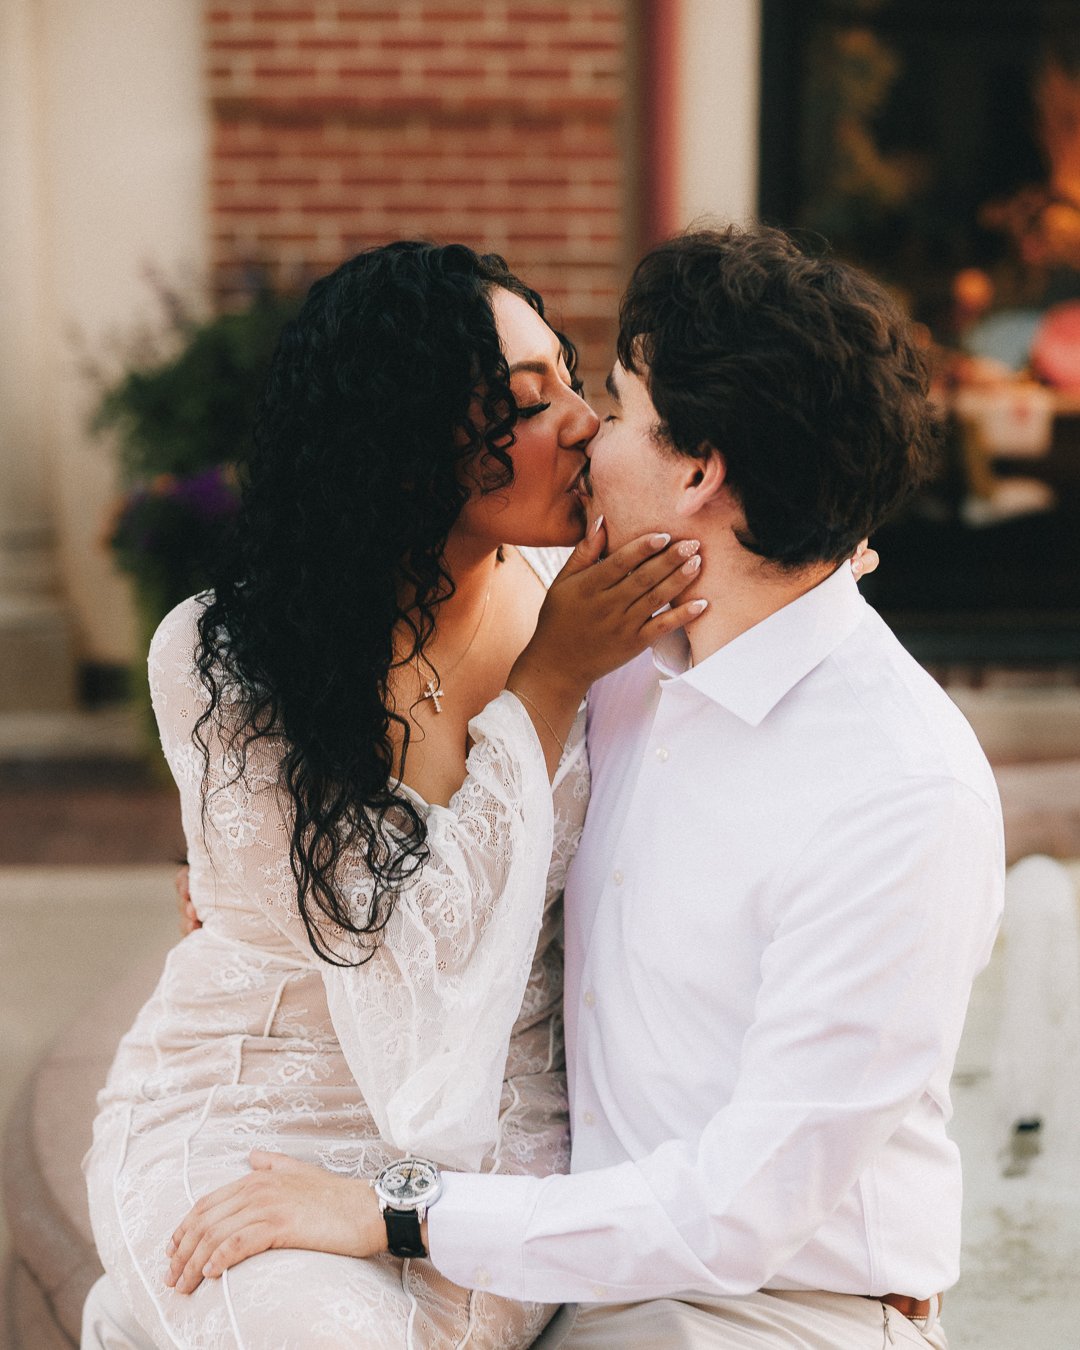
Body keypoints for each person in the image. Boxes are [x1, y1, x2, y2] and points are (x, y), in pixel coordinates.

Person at [166, 226, 1005, 1349]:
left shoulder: (898, 793)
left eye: (611, 402)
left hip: (774, 1311)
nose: (582, 434)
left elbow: (734, 1214)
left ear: (700, 470)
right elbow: (406, 645)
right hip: (573, 1275)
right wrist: (248, 874)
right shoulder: (626, 649)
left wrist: (398, 1213)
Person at [81, 240, 710, 1350]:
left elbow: (788, 586)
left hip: (495, 1162)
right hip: (258, 1126)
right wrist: (548, 683)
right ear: (411, 450)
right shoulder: (230, 657)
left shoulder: (595, 596)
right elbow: (395, 972)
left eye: (569, 377)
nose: (581, 421)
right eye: (527, 402)